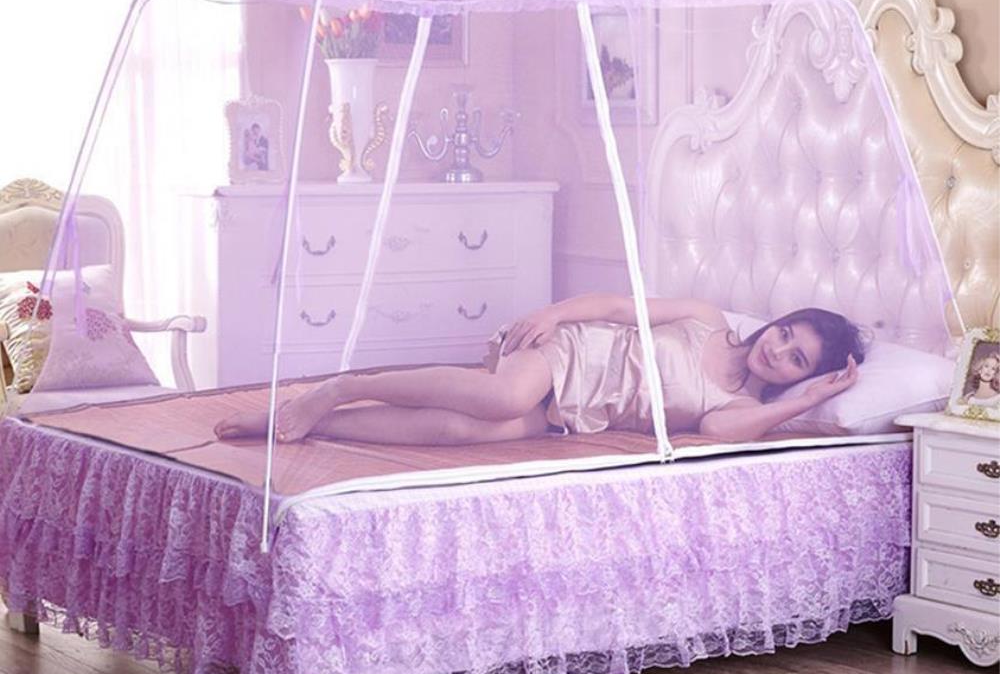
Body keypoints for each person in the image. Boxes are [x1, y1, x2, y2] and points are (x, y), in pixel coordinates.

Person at [214, 294, 866, 446]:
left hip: (577, 415)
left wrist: (807, 400)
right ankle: (341, 387)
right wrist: (555, 314)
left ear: (799, 377)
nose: (778, 350)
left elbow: (719, 434)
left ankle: (308, 423)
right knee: (502, 398)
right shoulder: (706, 319)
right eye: (785, 333)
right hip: (571, 352)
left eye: (797, 359)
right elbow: (619, 307)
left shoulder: (744, 406)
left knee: (470, 433)